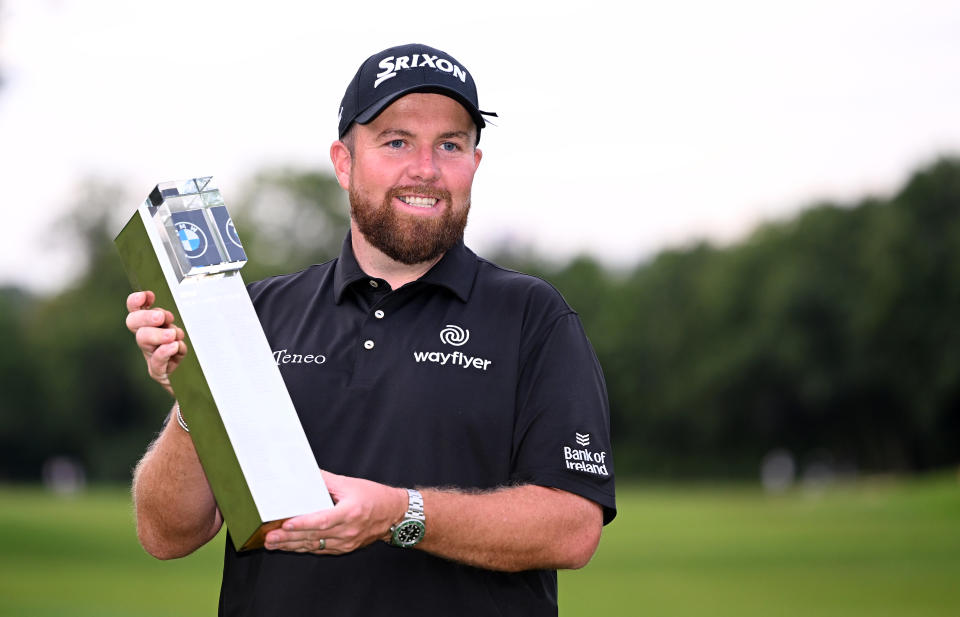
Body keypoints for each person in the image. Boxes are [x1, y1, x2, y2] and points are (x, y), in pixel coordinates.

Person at [125, 43, 616, 616]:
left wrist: (398, 515)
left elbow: (572, 528)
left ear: (474, 165)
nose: (426, 168)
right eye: (396, 141)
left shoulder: (533, 315)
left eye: (450, 144)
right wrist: (195, 397)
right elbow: (168, 536)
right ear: (343, 161)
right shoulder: (258, 314)